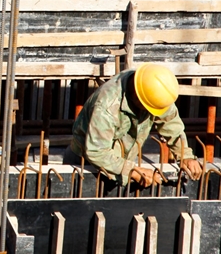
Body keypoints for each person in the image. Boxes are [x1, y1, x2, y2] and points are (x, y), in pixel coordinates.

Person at [65, 63, 202, 188]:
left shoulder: (154, 89)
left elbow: (171, 123)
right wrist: (131, 170)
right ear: (138, 96)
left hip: (119, 165)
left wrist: (185, 155)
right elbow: (97, 151)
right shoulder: (107, 105)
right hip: (85, 166)